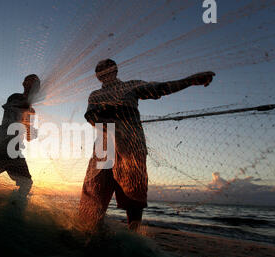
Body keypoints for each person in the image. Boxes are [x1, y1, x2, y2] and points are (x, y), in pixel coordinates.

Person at [80, 59, 215, 232]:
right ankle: (92, 233)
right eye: (100, 71)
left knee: (134, 190)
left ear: (115, 71)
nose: (104, 73)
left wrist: (189, 81)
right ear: (98, 76)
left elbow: (159, 88)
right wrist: (113, 126)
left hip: (132, 144)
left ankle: (133, 234)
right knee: (97, 189)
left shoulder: (132, 86)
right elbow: (91, 117)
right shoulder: (95, 95)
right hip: (104, 148)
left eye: (107, 69)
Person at [0, 74, 40, 197]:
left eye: (35, 86)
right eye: (30, 84)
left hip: (13, 151)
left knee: (26, 183)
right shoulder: (15, 98)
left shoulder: (31, 110)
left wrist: (33, 133)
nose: (32, 88)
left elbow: (28, 137)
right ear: (24, 84)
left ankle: (12, 208)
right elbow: (16, 108)